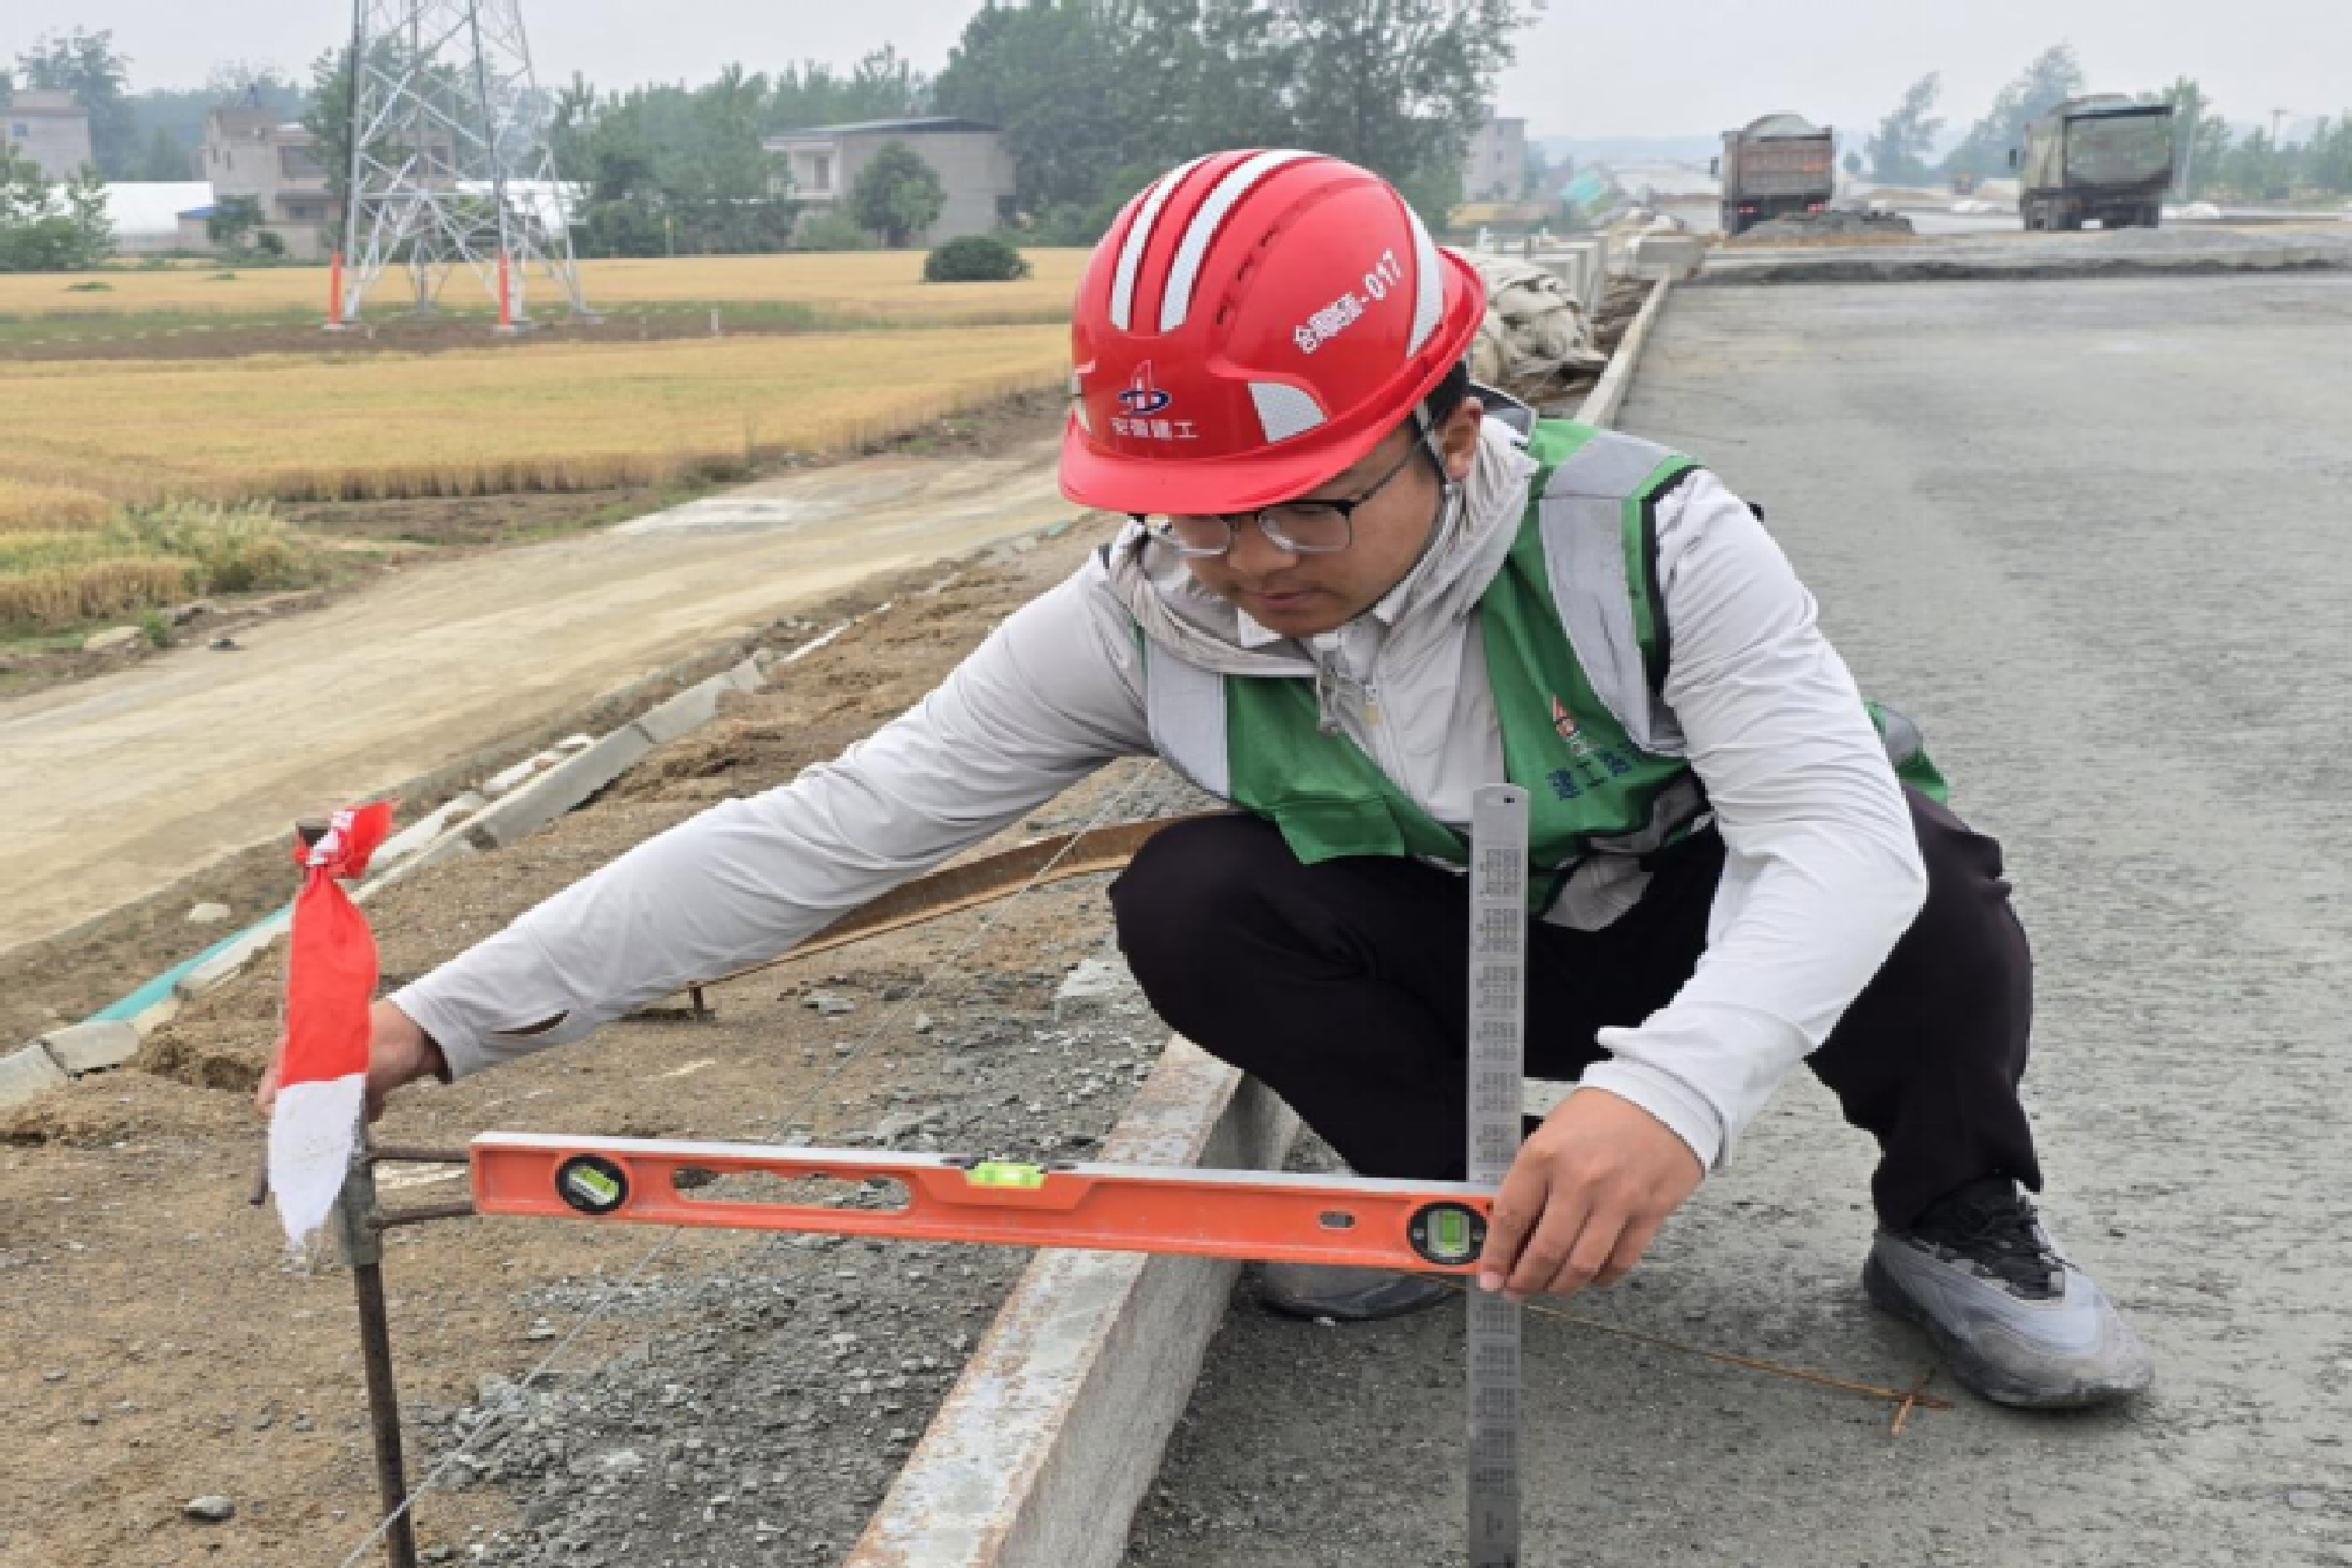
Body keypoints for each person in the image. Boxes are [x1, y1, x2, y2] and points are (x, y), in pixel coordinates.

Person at [262, 150, 2151, 1410]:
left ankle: (1956, 1214)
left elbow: (1822, 840)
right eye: (1194, 517)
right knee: (1194, 897)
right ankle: (1435, 1195)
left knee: (1918, 871)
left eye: (1306, 505)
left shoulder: (1649, 538)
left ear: (1450, 424)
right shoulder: (1140, 614)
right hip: (1459, 939)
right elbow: (827, 829)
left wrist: (1671, 1092)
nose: (1249, 566)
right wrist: (441, 1018)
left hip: (1700, 920)